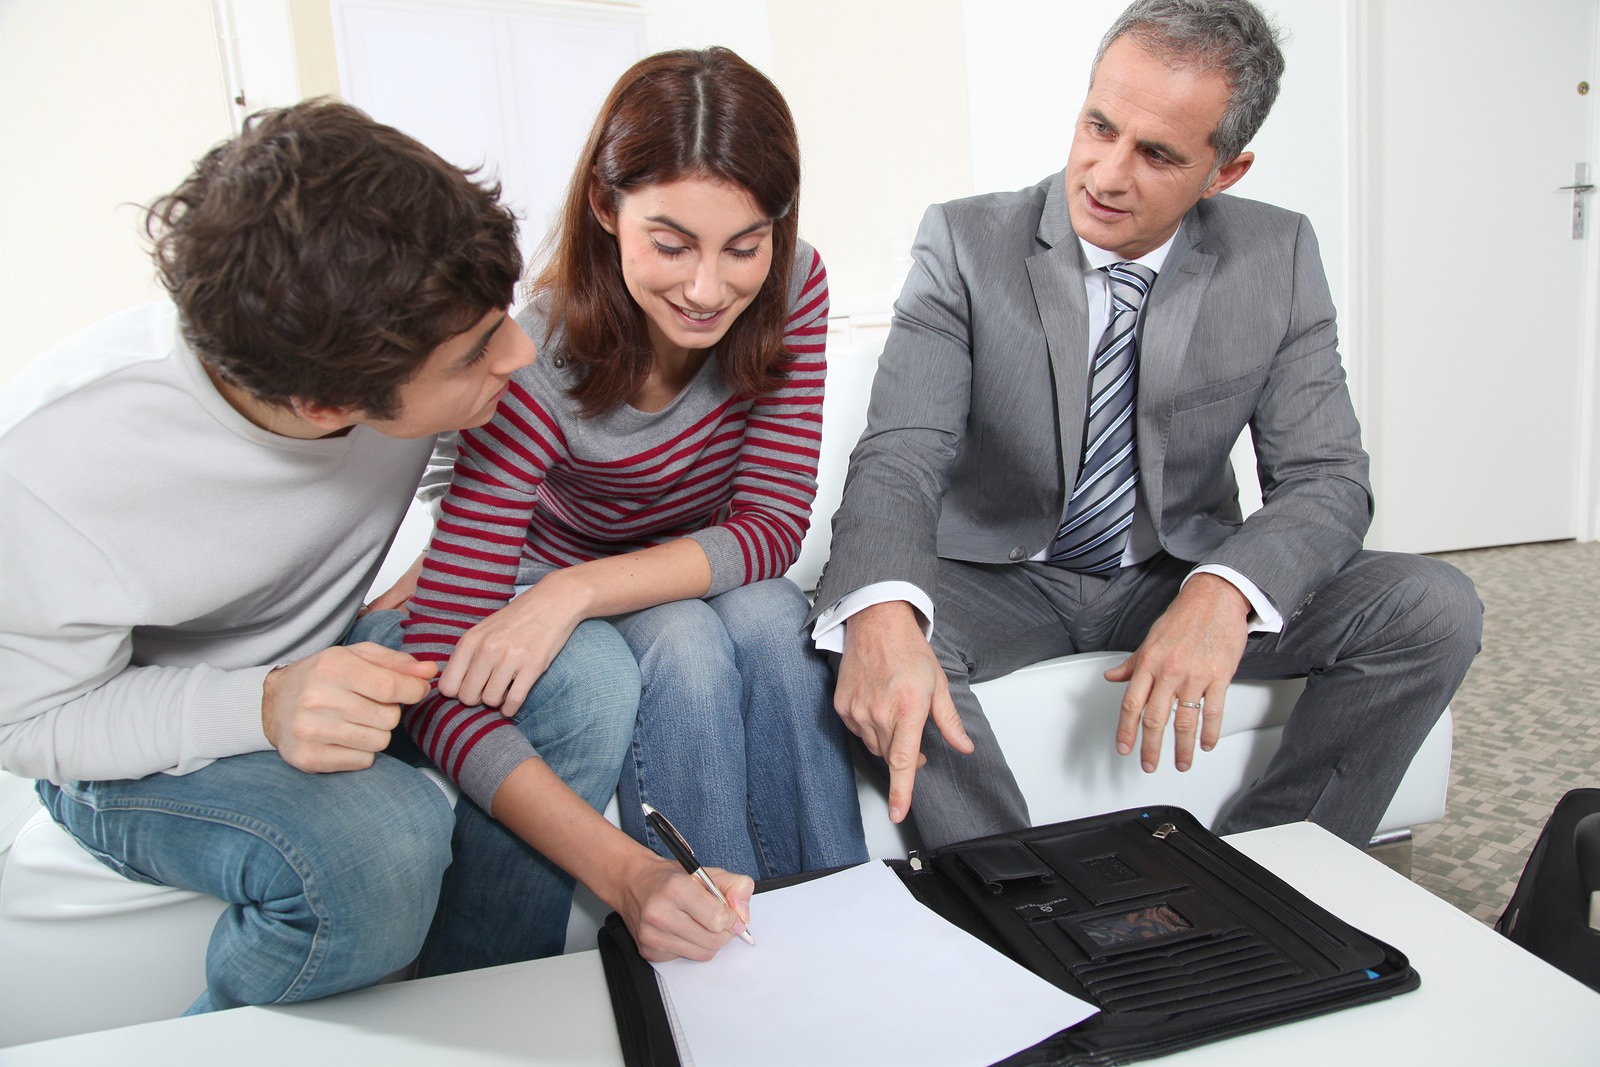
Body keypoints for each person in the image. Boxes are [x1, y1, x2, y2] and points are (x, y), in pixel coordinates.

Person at [0, 99, 749, 1018]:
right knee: (377, 843)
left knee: (584, 671)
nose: (519, 353)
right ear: (326, 408)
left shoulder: (399, 337)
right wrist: (262, 703)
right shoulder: (47, 470)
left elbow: (466, 599)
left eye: (500, 315)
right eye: (477, 352)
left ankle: (475, 1009)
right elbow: (26, 721)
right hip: (134, 735)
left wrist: (631, 876)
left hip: (322, 660)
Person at [811, 0, 1483, 852]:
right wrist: (881, 611)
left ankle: (1280, 873)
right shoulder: (966, 242)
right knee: (864, 622)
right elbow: (902, 453)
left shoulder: (1276, 256)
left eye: (1157, 153)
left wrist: (1227, 589)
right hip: (995, 577)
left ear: (1223, 172)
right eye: (1099, 125)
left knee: (1432, 607)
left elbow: (1327, 477)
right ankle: (1020, 900)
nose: (1105, 173)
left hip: (1171, 573)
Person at [395, 47, 867, 879]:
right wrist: (551, 589)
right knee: (683, 645)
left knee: (775, 622)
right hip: (548, 571)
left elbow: (772, 528)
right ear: (607, 207)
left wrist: (574, 592)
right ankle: (705, 931)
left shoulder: (793, 286)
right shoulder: (537, 351)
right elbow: (443, 647)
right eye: (672, 244)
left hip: (638, 571)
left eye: (744, 247)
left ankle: (839, 906)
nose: (709, 289)